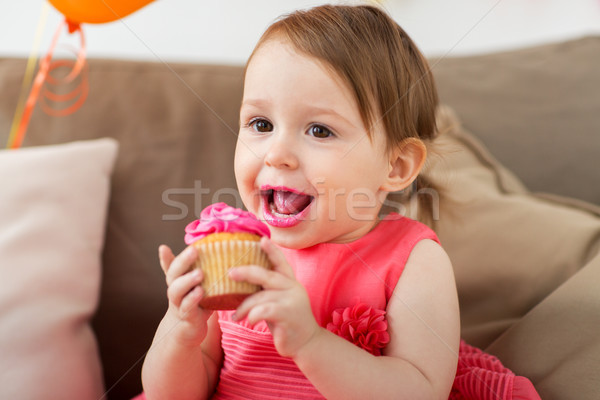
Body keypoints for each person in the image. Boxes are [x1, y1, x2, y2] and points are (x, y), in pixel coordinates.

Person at [139, 5, 540, 400]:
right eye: (261, 124)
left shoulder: (412, 261)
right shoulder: (235, 251)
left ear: (396, 166)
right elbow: (172, 394)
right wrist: (181, 333)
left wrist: (309, 342)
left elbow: (419, 391)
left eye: (319, 130)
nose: (277, 153)